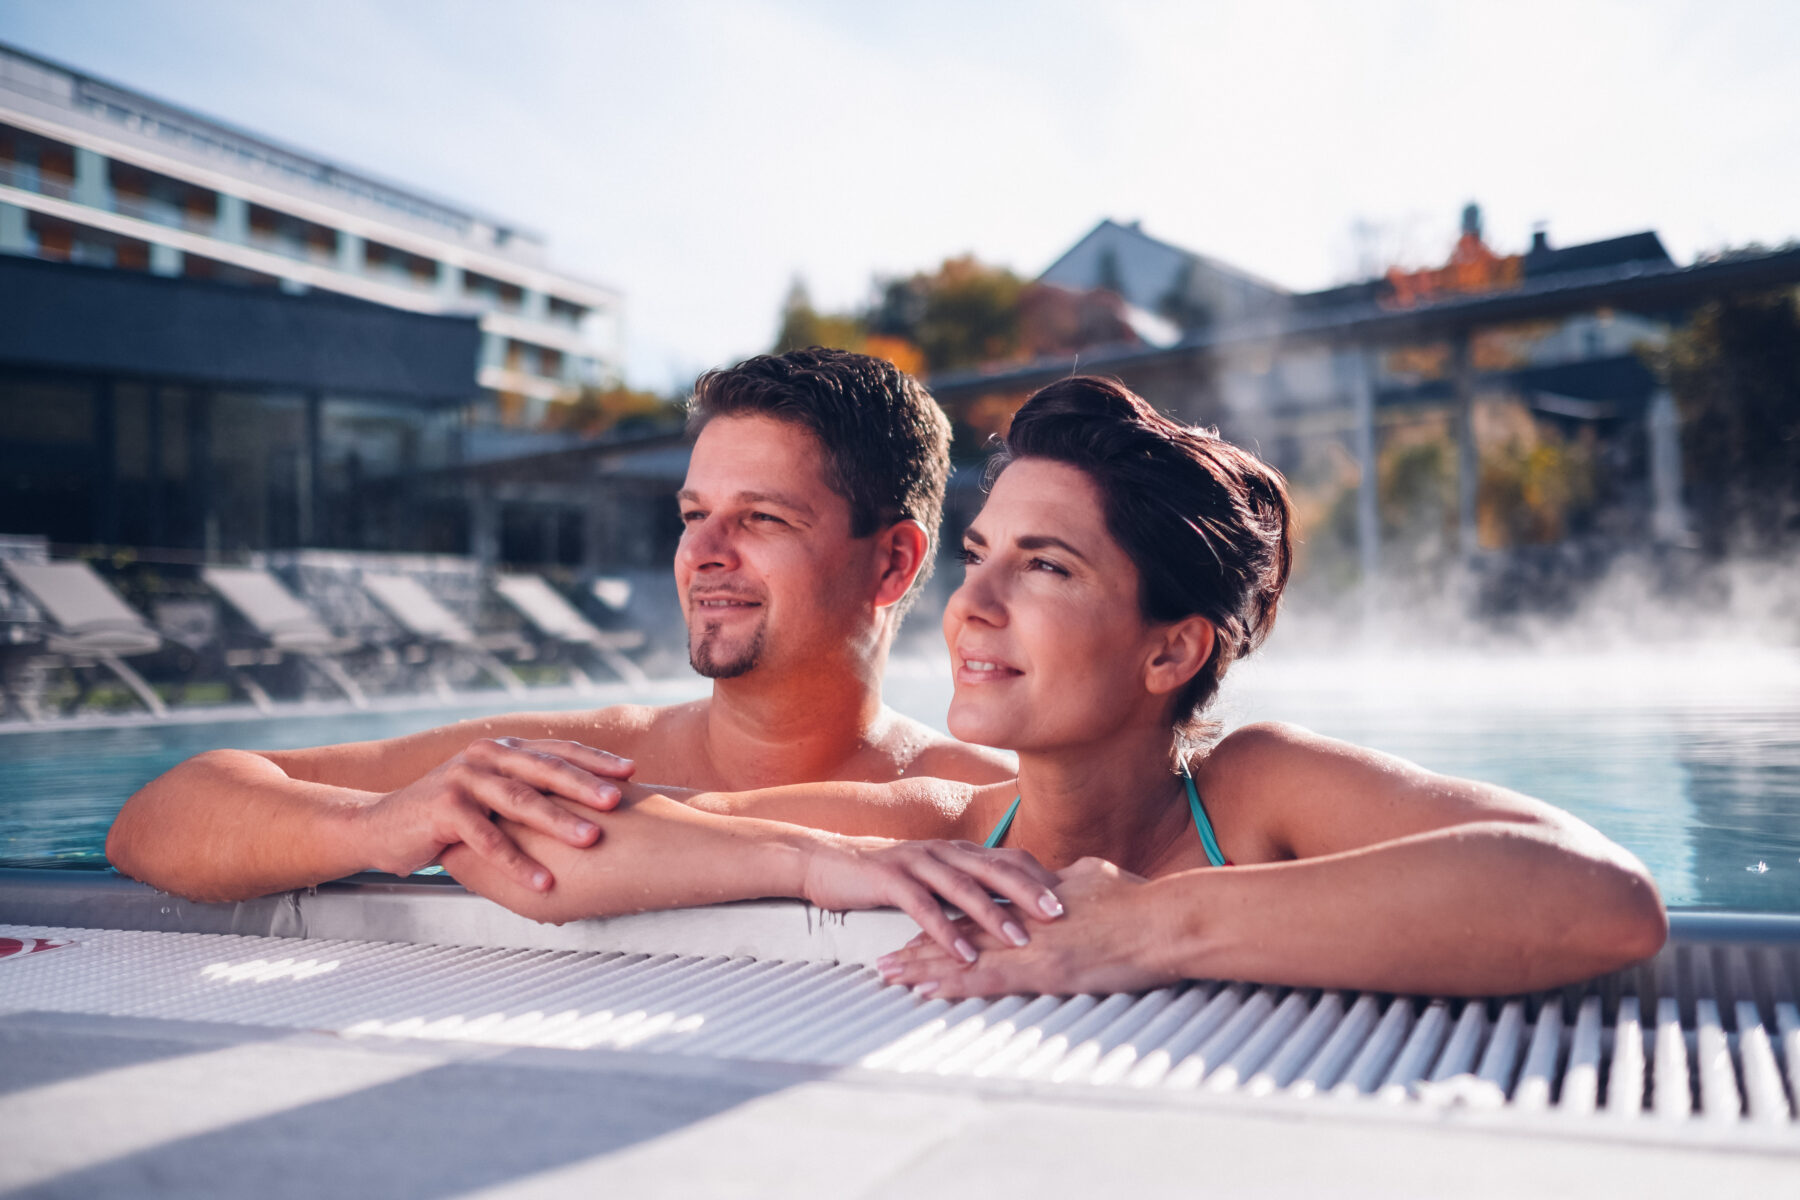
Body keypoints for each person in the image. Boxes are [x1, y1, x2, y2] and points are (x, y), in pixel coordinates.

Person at [441, 376, 1668, 998]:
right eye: (979, 557)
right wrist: (817, 862)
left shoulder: (1257, 799)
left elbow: (1602, 903)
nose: (972, 608)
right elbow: (526, 853)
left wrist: (1146, 928)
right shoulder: (945, 826)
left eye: (1049, 566)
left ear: (1171, 650)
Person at [106, 349, 1018, 906]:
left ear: (894, 562)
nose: (702, 551)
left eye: (762, 519)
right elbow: (158, 814)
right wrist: (379, 826)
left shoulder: (977, 794)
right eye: (692, 513)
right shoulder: (576, 751)